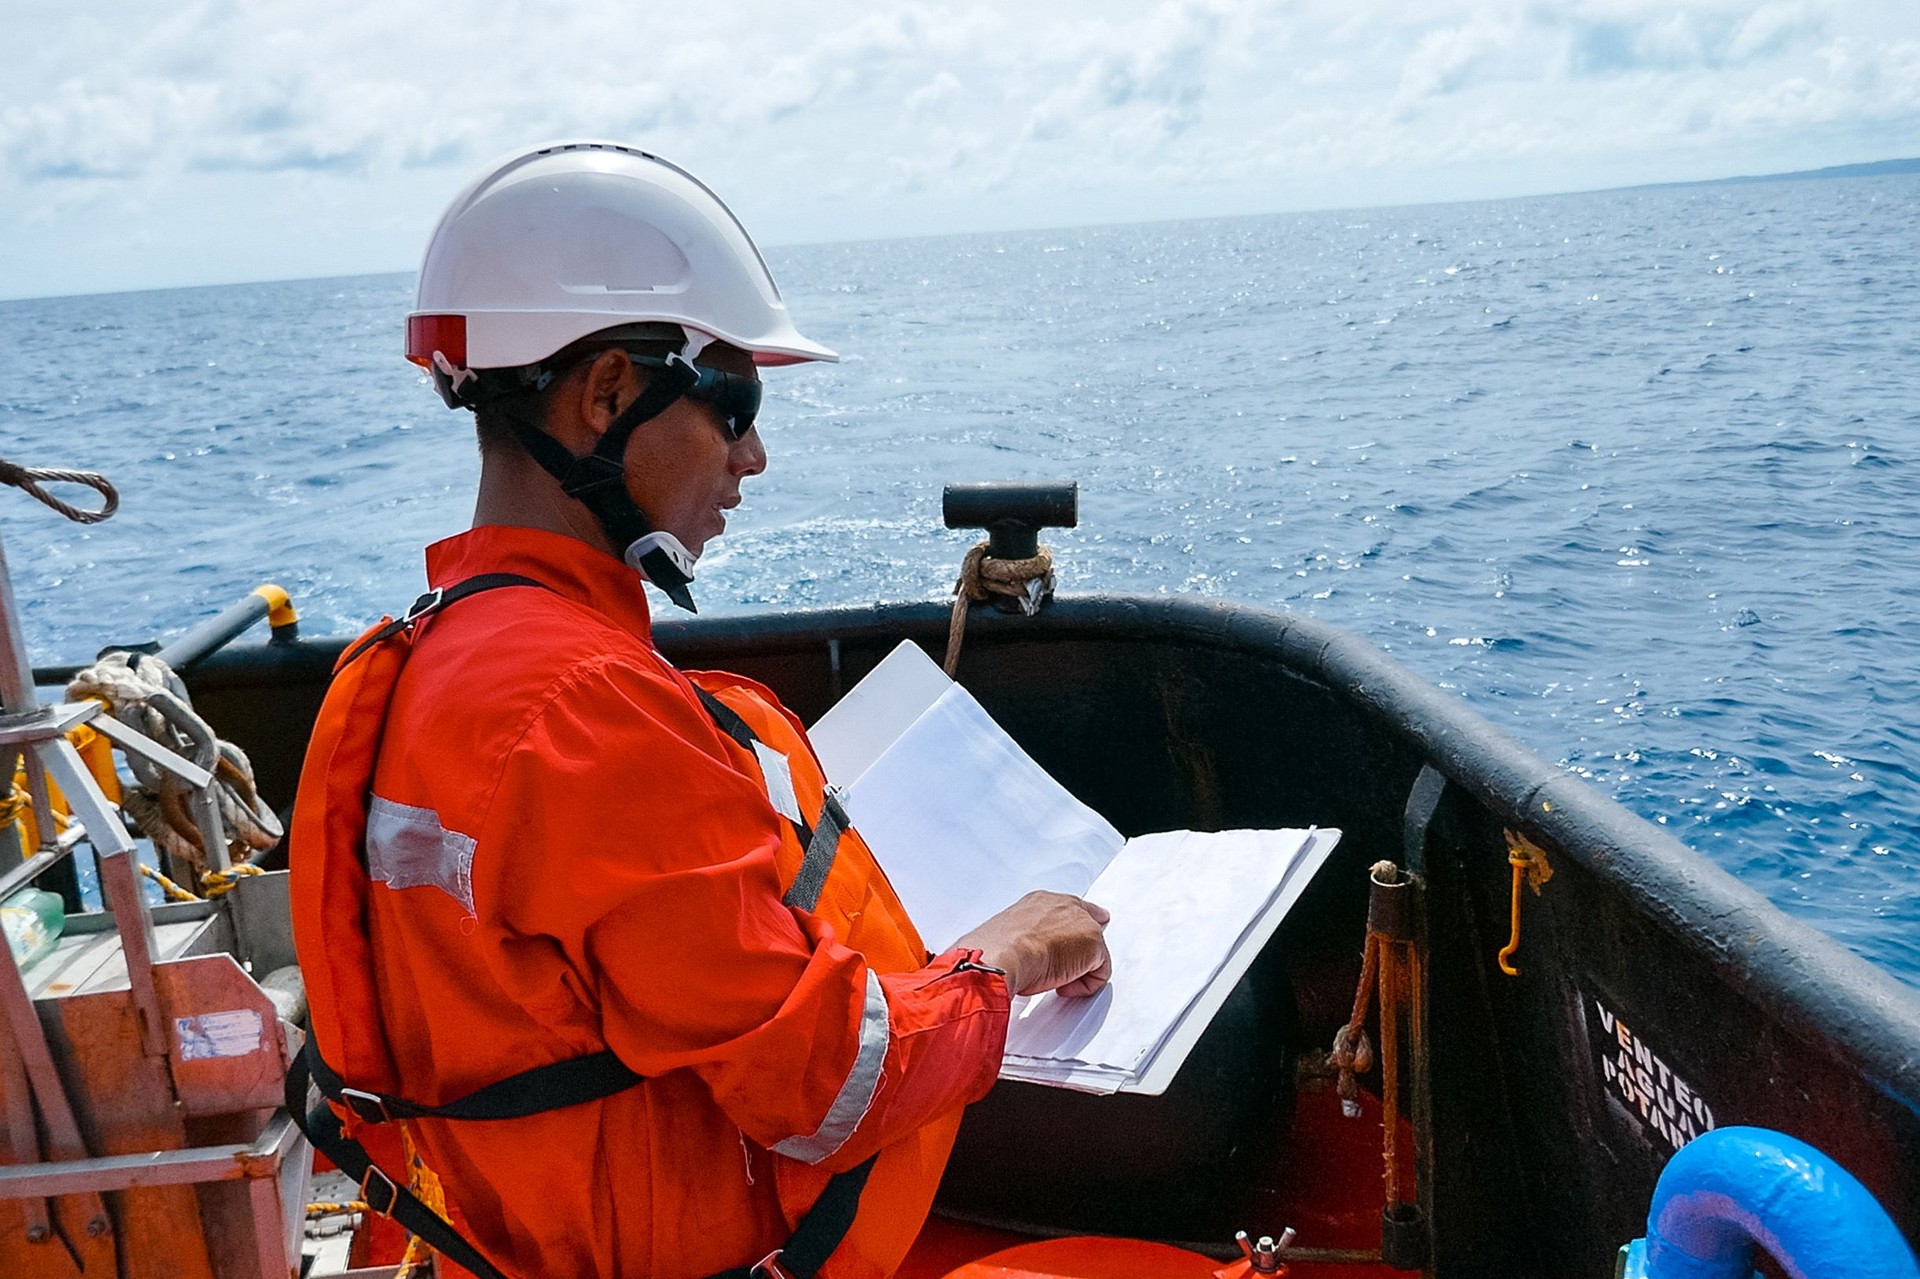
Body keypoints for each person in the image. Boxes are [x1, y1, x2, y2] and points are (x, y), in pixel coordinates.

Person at [288, 140, 1112, 1279]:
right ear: (608, 394)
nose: (755, 456)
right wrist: (1000, 960)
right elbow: (824, 1086)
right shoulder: (585, 707)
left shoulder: (421, 667)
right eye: (734, 404)